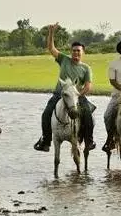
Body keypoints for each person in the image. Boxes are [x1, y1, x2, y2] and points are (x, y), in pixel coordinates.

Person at [33, 23, 96, 152]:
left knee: (88, 114)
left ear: (83, 52)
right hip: (59, 94)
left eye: (78, 51)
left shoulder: (86, 68)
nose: (76, 53)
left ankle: (89, 140)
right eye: (74, 50)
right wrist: (51, 33)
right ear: (71, 52)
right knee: (46, 113)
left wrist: (79, 95)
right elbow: (51, 48)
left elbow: (88, 86)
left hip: (77, 96)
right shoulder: (64, 59)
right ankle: (46, 141)